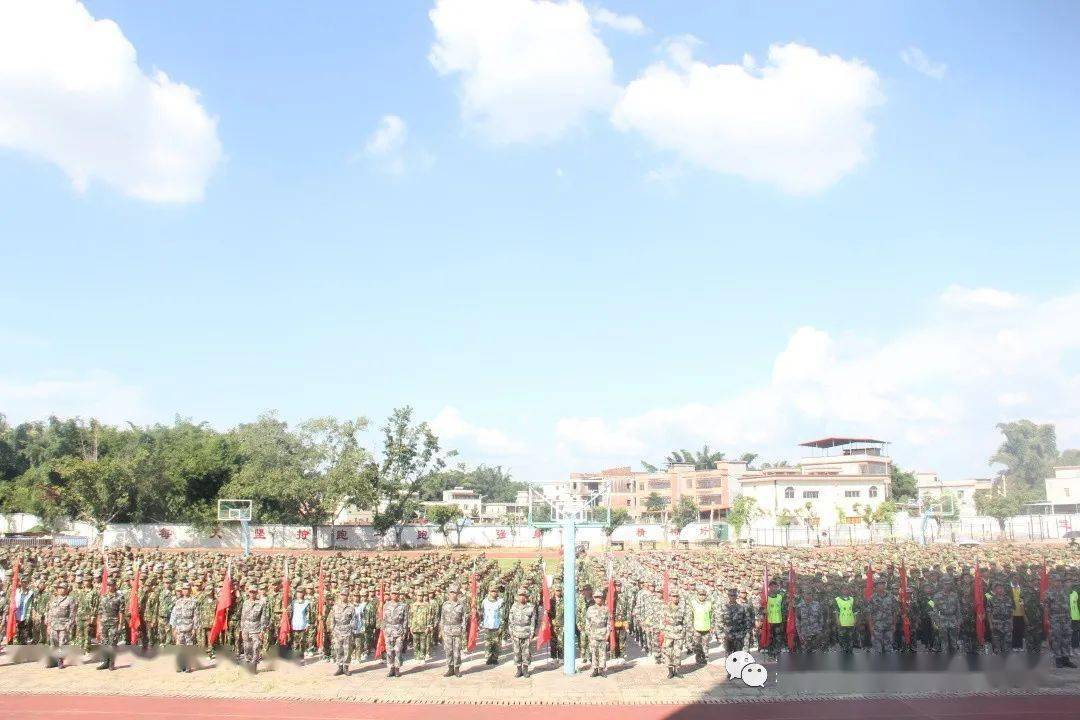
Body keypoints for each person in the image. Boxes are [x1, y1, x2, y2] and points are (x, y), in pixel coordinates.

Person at [439, 583, 468, 677]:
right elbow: (442, 618)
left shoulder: (461, 605)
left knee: (457, 651)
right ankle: (450, 668)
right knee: (448, 650)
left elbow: (464, 619)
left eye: (455, 593)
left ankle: (457, 669)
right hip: (447, 630)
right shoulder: (444, 605)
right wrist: (441, 630)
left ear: (458, 594)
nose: (453, 594)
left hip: (457, 630)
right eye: (451, 592)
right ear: (449, 593)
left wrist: (463, 631)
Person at [45, 582, 76, 669]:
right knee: (53, 644)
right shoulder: (53, 599)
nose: (60, 590)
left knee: (62, 643)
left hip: (64, 624)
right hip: (53, 624)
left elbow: (72, 614)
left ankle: (60, 661)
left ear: (66, 590)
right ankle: (53, 661)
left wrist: (69, 624)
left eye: (62, 588)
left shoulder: (70, 599)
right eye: (59, 588)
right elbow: (49, 612)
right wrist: (48, 624)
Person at [508, 586, 537, 678]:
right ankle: (518, 670)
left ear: (527, 597)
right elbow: (510, 621)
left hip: (526, 633)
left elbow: (533, 622)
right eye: (520, 595)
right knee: (517, 652)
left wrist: (532, 634)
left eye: (523, 595)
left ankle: (525, 669)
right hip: (516, 633)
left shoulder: (531, 607)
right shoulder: (514, 607)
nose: (521, 597)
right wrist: (511, 633)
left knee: (526, 653)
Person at [170, 582, 199, 672]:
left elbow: (196, 616)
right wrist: (173, 628)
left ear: (190, 590)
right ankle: (180, 665)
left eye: (187, 589)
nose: (185, 591)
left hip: (189, 628)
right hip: (179, 628)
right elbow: (173, 615)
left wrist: (195, 628)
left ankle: (188, 666)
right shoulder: (178, 602)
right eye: (183, 589)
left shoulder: (194, 601)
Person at [96, 578, 125, 671]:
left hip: (114, 623)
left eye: (111, 585)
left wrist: (120, 624)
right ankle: (105, 662)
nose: (109, 587)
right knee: (104, 643)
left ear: (115, 585)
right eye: (108, 585)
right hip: (104, 623)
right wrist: (99, 625)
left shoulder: (120, 597)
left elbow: (121, 612)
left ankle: (112, 663)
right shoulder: (103, 596)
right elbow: (100, 612)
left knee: (112, 643)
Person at [239, 584, 268, 671]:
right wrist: (242, 628)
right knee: (247, 647)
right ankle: (248, 663)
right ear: (249, 593)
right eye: (251, 592)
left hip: (256, 628)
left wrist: (262, 631)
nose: (252, 594)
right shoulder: (245, 603)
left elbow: (263, 618)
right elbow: (243, 617)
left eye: (254, 592)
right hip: (246, 628)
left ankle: (254, 664)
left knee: (256, 647)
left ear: (256, 593)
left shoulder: (261, 603)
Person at [381, 586, 408, 677]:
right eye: (393, 593)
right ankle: (391, 668)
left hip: (399, 630)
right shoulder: (386, 605)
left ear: (398, 595)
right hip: (388, 630)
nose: (394, 595)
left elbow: (405, 620)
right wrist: (383, 630)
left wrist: (404, 632)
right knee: (389, 651)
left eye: (396, 593)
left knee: (398, 651)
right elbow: (383, 619)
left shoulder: (403, 606)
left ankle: (397, 669)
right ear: (390, 595)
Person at [584, 590, 610, 677]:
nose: (598, 599)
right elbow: (587, 622)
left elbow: (609, 622)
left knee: (602, 652)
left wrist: (608, 633)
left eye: (600, 597)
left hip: (603, 633)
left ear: (602, 598)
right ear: (594, 598)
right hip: (593, 634)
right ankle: (595, 669)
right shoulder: (590, 609)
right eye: (596, 597)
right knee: (594, 652)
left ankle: (601, 669)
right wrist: (589, 633)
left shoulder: (606, 609)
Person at [330, 589, 354, 676]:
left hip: (347, 630)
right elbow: (332, 619)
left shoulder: (351, 607)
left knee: (347, 650)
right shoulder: (335, 607)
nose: (343, 596)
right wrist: (332, 629)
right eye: (342, 595)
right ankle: (339, 667)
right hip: (337, 630)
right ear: (340, 595)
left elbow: (354, 619)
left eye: (345, 595)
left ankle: (346, 667)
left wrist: (351, 628)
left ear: (348, 596)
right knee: (338, 649)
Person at [660, 592, 684, 679]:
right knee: (668, 652)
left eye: (677, 596)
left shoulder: (682, 607)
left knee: (678, 652)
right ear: (670, 597)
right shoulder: (665, 607)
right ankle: (670, 671)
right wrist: (662, 631)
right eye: (673, 596)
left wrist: (684, 631)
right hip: (668, 632)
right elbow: (662, 619)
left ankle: (676, 670)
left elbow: (686, 620)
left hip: (679, 632)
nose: (675, 598)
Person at [688, 586, 714, 664]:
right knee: (697, 645)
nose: (702, 596)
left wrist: (712, 626)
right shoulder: (693, 603)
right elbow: (690, 616)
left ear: (706, 595)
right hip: (696, 628)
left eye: (703, 595)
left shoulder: (709, 604)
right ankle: (698, 658)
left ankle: (706, 658)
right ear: (697, 595)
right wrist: (691, 627)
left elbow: (712, 616)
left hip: (706, 628)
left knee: (705, 645)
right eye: (700, 595)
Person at [480, 585, 504, 665]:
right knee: (488, 643)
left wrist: (501, 626)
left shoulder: (500, 601)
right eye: (492, 591)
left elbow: (502, 614)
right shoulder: (485, 601)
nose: (494, 593)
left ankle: (495, 658)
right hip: (487, 626)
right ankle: (488, 658)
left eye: (495, 591)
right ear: (489, 592)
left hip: (496, 626)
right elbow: (482, 612)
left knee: (496, 643)